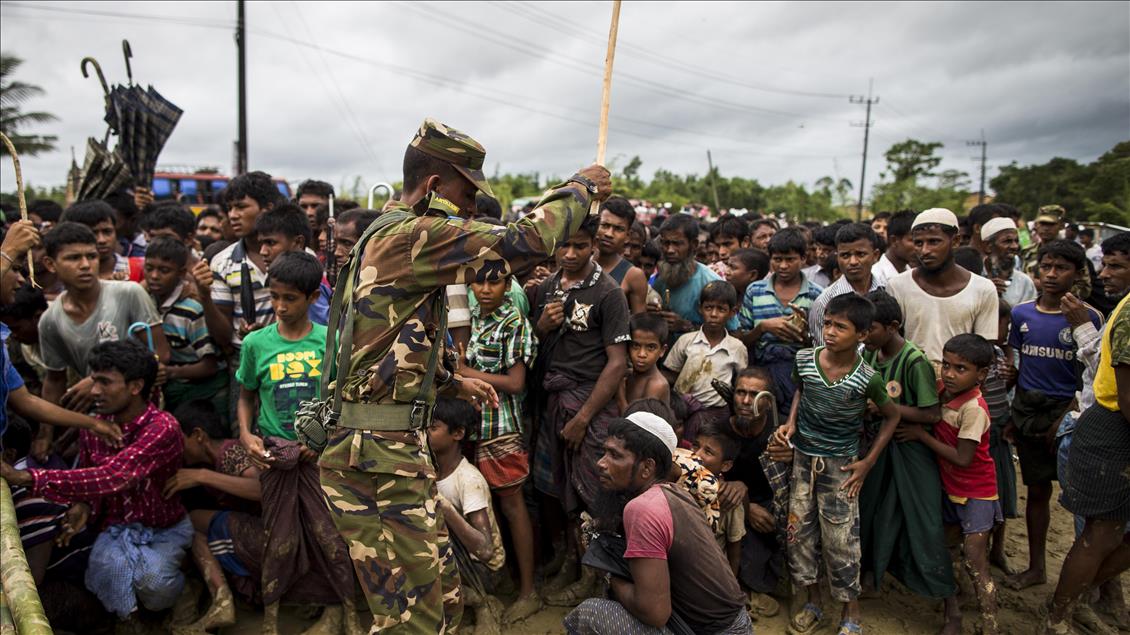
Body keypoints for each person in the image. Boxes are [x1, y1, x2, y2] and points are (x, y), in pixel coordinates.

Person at [318, 118, 609, 633]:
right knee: (412, 617)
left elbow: (383, 340)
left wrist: (450, 379)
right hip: (378, 452)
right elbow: (521, 242)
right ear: (433, 187)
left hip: (386, 446)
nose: (472, 209)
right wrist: (579, 191)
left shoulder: (384, 235)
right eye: (466, 194)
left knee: (442, 596)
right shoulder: (411, 236)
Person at [1, 341, 192, 627]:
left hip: (162, 529)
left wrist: (28, 477)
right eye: (94, 380)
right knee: (111, 577)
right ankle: (134, 622)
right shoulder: (96, 426)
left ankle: (184, 590)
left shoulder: (162, 428)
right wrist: (83, 506)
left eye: (104, 382)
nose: (93, 391)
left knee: (154, 583)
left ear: (136, 386)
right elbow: (91, 476)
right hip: (113, 529)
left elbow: (114, 477)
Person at [773, 293, 901, 635]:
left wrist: (868, 462)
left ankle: (851, 613)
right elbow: (801, 391)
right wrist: (792, 423)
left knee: (841, 540)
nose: (830, 332)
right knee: (799, 533)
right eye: (827, 323)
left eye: (840, 326)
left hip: (841, 466)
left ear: (861, 335)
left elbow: (892, 416)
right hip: (803, 460)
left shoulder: (867, 377)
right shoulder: (804, 359)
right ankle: (813, 602)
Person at [563, 417, 752, 634]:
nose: (601, 463)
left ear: (647, 468)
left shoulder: (643, 509)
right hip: (732, 625)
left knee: (591, 613)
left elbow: (655, 612)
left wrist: (607, 574)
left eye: (615, 455)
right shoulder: (675, 492)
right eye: (605, 453)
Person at [531, 215, 631, 605]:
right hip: (554, 399)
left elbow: (617, 363)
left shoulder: (609, 293)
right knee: (559, 492)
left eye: (579, 246)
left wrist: (584, 417)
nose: (570, 254)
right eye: (564, 246)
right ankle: (570, 562)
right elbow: (534, 346)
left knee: (594, 497)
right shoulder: (547, 288)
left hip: (588, 405)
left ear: (594, 246)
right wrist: (541, 325)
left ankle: (594, 578)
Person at [1004, 240, 1103, 592]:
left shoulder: (1087, 318)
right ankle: (1036, 567)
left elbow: (1091, 375)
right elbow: (1019, 363)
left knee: (1081, 499)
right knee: (1036, 492)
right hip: (1029, 411)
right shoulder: (1022, 314)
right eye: (1046, 267)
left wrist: (1069, 413)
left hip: (1070, 414)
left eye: (1060, 268)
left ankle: (1090, 581)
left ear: (1076, 274)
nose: (1051, 274)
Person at [1044, 231, 1130, 634]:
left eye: (1116, 265)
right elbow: (1119, 390)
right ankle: (1060, 613)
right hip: (1113, 426)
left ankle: (1080, 598)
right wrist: (1081, 329)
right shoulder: (1125, 312)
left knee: (1108, 531)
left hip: (1112, 423)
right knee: (1100, 530)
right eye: (1106, 263)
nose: (1104, 273)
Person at [35, 222, 170, 457]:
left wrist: (94, 380)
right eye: (73, 258)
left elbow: (161, 354)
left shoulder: (129, 293)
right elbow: (54, 380)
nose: (86, 265)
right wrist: (45, 434)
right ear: (50, 264)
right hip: (95, 419)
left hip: (143, 412)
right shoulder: (51, 319)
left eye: (91, 256)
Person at [896, 334, 1001, 635]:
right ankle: (952, 610)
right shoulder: (942, 389)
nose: (950, 374)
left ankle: (989, 623)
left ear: (981, 374)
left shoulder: (974, 409)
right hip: (948, 488)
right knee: (946, 550)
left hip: (976, 492)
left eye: (961, 369)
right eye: (947, 365)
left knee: (975, 561)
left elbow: (963, 457)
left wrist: (921, 436)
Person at [858, 291, 956, 607]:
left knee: (919, 519)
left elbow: (931, 413)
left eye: (870, 328)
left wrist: (885, 407)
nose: (864, 335)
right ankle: (872, 574)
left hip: (909, 450)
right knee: (872, 512)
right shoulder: (871, 354)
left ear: (893, 326)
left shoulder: (914, 362)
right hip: (880, 445)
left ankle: (945, 598)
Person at [458, 269, 541, 623]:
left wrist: (464, 372)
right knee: (479, 505)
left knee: (511, 504)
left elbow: (516, 382)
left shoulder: (513, 320)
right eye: (479, 282)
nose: (485, 289)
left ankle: (528, 591)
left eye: (494, 282)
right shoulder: (471, 314)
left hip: (502, 425)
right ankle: (496, 582)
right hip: (474, 423)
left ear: (509, 285)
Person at [428, 398, 508, 632]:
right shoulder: (431, 468)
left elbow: (485, 550)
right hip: (458, 560)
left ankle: (480, 602)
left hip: (482, 572)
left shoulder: (468, 480)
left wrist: (446, 509)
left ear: (458, 433)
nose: (426, 433)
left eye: (433, 427)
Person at [885, 208, 999, 370]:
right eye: (918, 243)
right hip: (909, 382)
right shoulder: (897, 286)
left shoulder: (983, 289)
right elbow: (891, 343)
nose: (925, 250)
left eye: (934, 241)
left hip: (959, 388)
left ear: (955, 241)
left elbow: (983, 351)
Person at [236, 252, 327, 454]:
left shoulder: (331, 340)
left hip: (321, 453)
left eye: (290, 298)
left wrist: (323, 439)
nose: (280, 307)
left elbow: (342, 400)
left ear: (313, 297)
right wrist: (245, 433)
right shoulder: (255, 343)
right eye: (274, 297)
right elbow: (246, 397)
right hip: (273, 449)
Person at [193, 170, 285, 356]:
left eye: (241, 207)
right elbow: (223, 336)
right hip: (244, 357)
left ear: (267, 208)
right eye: (230, 208)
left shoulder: (296, 254)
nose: (233, 215)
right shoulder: (222, 262)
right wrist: (205, 296)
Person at [738, 227, 823, 417]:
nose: (783, 266)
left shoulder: (816, 295)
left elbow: (821, 346)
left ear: (803, 259)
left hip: (798, 374)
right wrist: (762, 328)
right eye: (777, 259)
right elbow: (742, 339)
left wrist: (804, 336)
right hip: (762, 370)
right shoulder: (755, 291)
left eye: (790, 259)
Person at [143, 237, 226, 416]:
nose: (154, 276)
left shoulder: (191, 310)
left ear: (181, 274)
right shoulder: (145, 301)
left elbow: (210, 365)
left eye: (164, 271)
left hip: (201, 390)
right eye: (149, 268)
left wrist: (171, 372)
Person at [663, 281, 747, 440]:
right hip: (683, 410)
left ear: (732, 312)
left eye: (721, 309)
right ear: (700, 308)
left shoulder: (737, 348)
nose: (714, 314)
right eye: (709, 308)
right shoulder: (686, 341)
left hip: (717, 413)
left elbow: (740, 383)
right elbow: (670, 374)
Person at [650, 214, 739, 341]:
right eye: (665, 243)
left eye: (677, 244)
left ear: (694, 244)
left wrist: (687, 326)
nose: (670, 250)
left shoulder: (711, 282)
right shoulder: (660, 281)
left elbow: (734, 333)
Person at [254, 203, 333, 325]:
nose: (263, 251)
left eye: (271, 243)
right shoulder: (283, 276)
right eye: (261, 244)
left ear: (298, 242)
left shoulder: (309, 281)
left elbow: (319, 336)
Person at [808, 223, 884, 345]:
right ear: (837, 257)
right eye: (845, 255)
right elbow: (823, 350)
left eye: (860, 254)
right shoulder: (824, 301)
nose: (853, 262)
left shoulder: (888, 291)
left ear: (875, 255)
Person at [692, 421, 745, 576]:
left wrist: (731, 589)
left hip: (710, 575)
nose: (697, 454)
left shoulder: (729, 501)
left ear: (726, 466)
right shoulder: (679, 482)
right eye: (695, 446)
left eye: (708, 452)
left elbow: (734, 552)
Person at [596, 197, 649, 315]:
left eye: (618, 229)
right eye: (604, 225)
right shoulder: (579, 262)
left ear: (628, 236)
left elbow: (638, 324)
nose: (609, 234)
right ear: (596, 225)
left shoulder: (633, 275)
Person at [60, 200, 136, 281]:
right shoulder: (64, 277)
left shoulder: (139, 269)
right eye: (93, 233)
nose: (101, 240)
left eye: (107, 232)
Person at [979, 216, 1037, 307]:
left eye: (1016, 241)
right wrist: (985, 292)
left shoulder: (1024, 282)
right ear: (988, 246)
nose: (1015, 246)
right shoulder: (973, 276)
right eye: (1007, 241)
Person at [619, 313, 671, 413]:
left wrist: (619, 395)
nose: (642, 354)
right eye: (635, 345)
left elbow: (635, 425)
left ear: (662, 351)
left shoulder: (657, 385)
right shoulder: (628, 374)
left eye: (651, 347)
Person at [871, 210, 916, 283]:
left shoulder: (912, 273)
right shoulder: (875, 278)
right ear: (894, 240)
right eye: (914, 241)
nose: (920, 248)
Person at [1022, 205, 1065, 276]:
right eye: (1042, 224)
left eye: (1051, 224)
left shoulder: (1070, 252)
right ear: (1036, 225)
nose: (1046, 228)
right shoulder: (1027, 252)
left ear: (1061, 226)